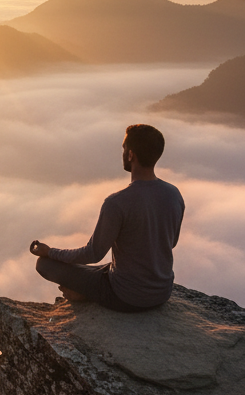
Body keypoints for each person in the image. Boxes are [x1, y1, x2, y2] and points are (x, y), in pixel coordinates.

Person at [30, 124, 184, 313]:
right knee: (106, 268)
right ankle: (89, 289)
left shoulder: (116, 202)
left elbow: (93, 254)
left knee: (44, 264)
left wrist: (50, 252)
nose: (123, 152)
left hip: (126, 296)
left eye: (124, 148)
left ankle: (85, 294)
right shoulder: (174, 194)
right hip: (162, 292)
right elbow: (172, 242)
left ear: (131, 155)